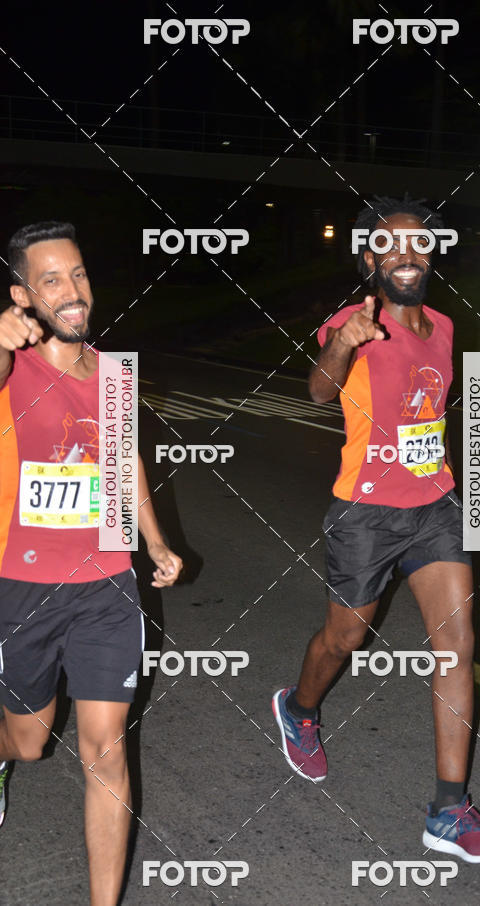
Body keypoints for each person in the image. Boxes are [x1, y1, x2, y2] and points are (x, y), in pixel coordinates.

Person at [272, 196, 480, 863]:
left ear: (433, 253)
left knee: (457, 646)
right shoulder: (352, 321)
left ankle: (448, 810)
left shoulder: (443, 325)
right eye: (389, 245)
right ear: (369, 258)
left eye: (418, 243)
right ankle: (299, 708)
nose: (405, 254)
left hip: (435, 506)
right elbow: (320, 392)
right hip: (366, 513)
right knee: (345, 635)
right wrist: (344, 346)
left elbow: (427, 415)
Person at [0, 222, 183, 904]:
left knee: (105, 748)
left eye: (77, 274)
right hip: (21, 589)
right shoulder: (11, 365)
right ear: (23, 295)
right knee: (30, 740)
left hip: (107, 586)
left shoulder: (111, 372)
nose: (72, 292)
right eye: (51, 280)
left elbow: (123, 461)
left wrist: (155, 541)